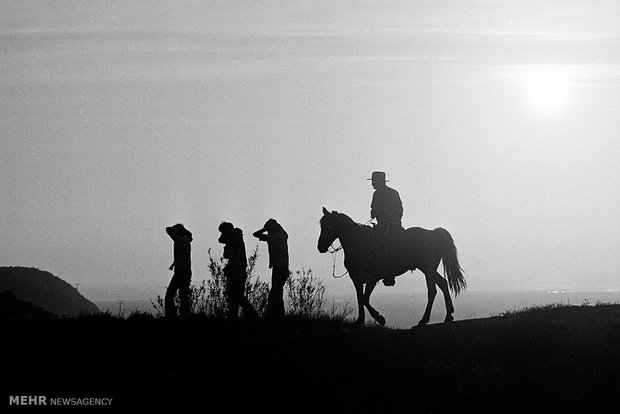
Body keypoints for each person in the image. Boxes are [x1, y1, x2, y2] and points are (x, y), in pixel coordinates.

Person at [368, 171, 403, 286]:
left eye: (373, 182)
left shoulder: (390, 194)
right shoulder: (379, 194)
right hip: (382, 226)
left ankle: (389, 274)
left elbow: (398, 210)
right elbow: (373, 211)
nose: (372, 184)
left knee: (386, 246)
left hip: (392, 226)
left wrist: (390, 221)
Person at [218, 222, 258, 320]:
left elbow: (227, 252)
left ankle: (251, 315)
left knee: (237, 296)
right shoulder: (234, 238)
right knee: (234, 296)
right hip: (235, 270)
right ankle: (236, 316)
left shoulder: (235, 239)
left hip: (237, 270)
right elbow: (221, 241)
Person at [253, 219, 289, 320]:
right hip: (280, 267)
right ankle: (278, 316)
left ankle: (274, 316)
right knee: (277, 293)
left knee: (275, 294)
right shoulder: (279, 235)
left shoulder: (275, 237)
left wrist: (264, 229)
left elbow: (255, 234)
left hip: (280, 268)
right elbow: (255, 234)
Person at [165, 223, 193, 318]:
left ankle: (171, 316)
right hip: (186, 271)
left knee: (169, 295)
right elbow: (190, 234)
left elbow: (168, 229)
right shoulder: (187, 240)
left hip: (181, 271)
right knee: (183, 296)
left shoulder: (179, 240)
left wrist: (174, 230)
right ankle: (186, 315)